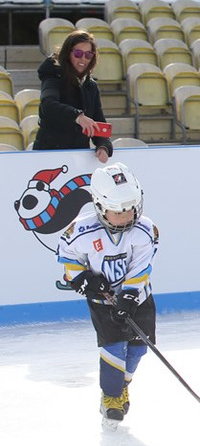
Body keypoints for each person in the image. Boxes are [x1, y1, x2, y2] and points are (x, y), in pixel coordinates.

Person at [56, 162, 159, 431]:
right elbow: (68, 260)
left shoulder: (145, 230)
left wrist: (129, 296)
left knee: (138, 348)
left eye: (131, 210)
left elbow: (141, 267)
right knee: (114, 347)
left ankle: (122, 385)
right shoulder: (80, 231)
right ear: (100, 207)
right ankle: (111, 396)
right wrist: (83, 280)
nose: (126, 217)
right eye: (118, 213)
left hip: (139, 299)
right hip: (102, 303)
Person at [33, 29, 112, 164]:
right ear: (67, 53)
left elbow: (98, 122)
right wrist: (78, 116)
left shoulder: (91, 86)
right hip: (49, 155)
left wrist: (103, 146)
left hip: (78, 157)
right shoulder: (53, 76)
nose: (83, 59)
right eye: (77, 53)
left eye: (88, 55)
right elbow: (48, 105)